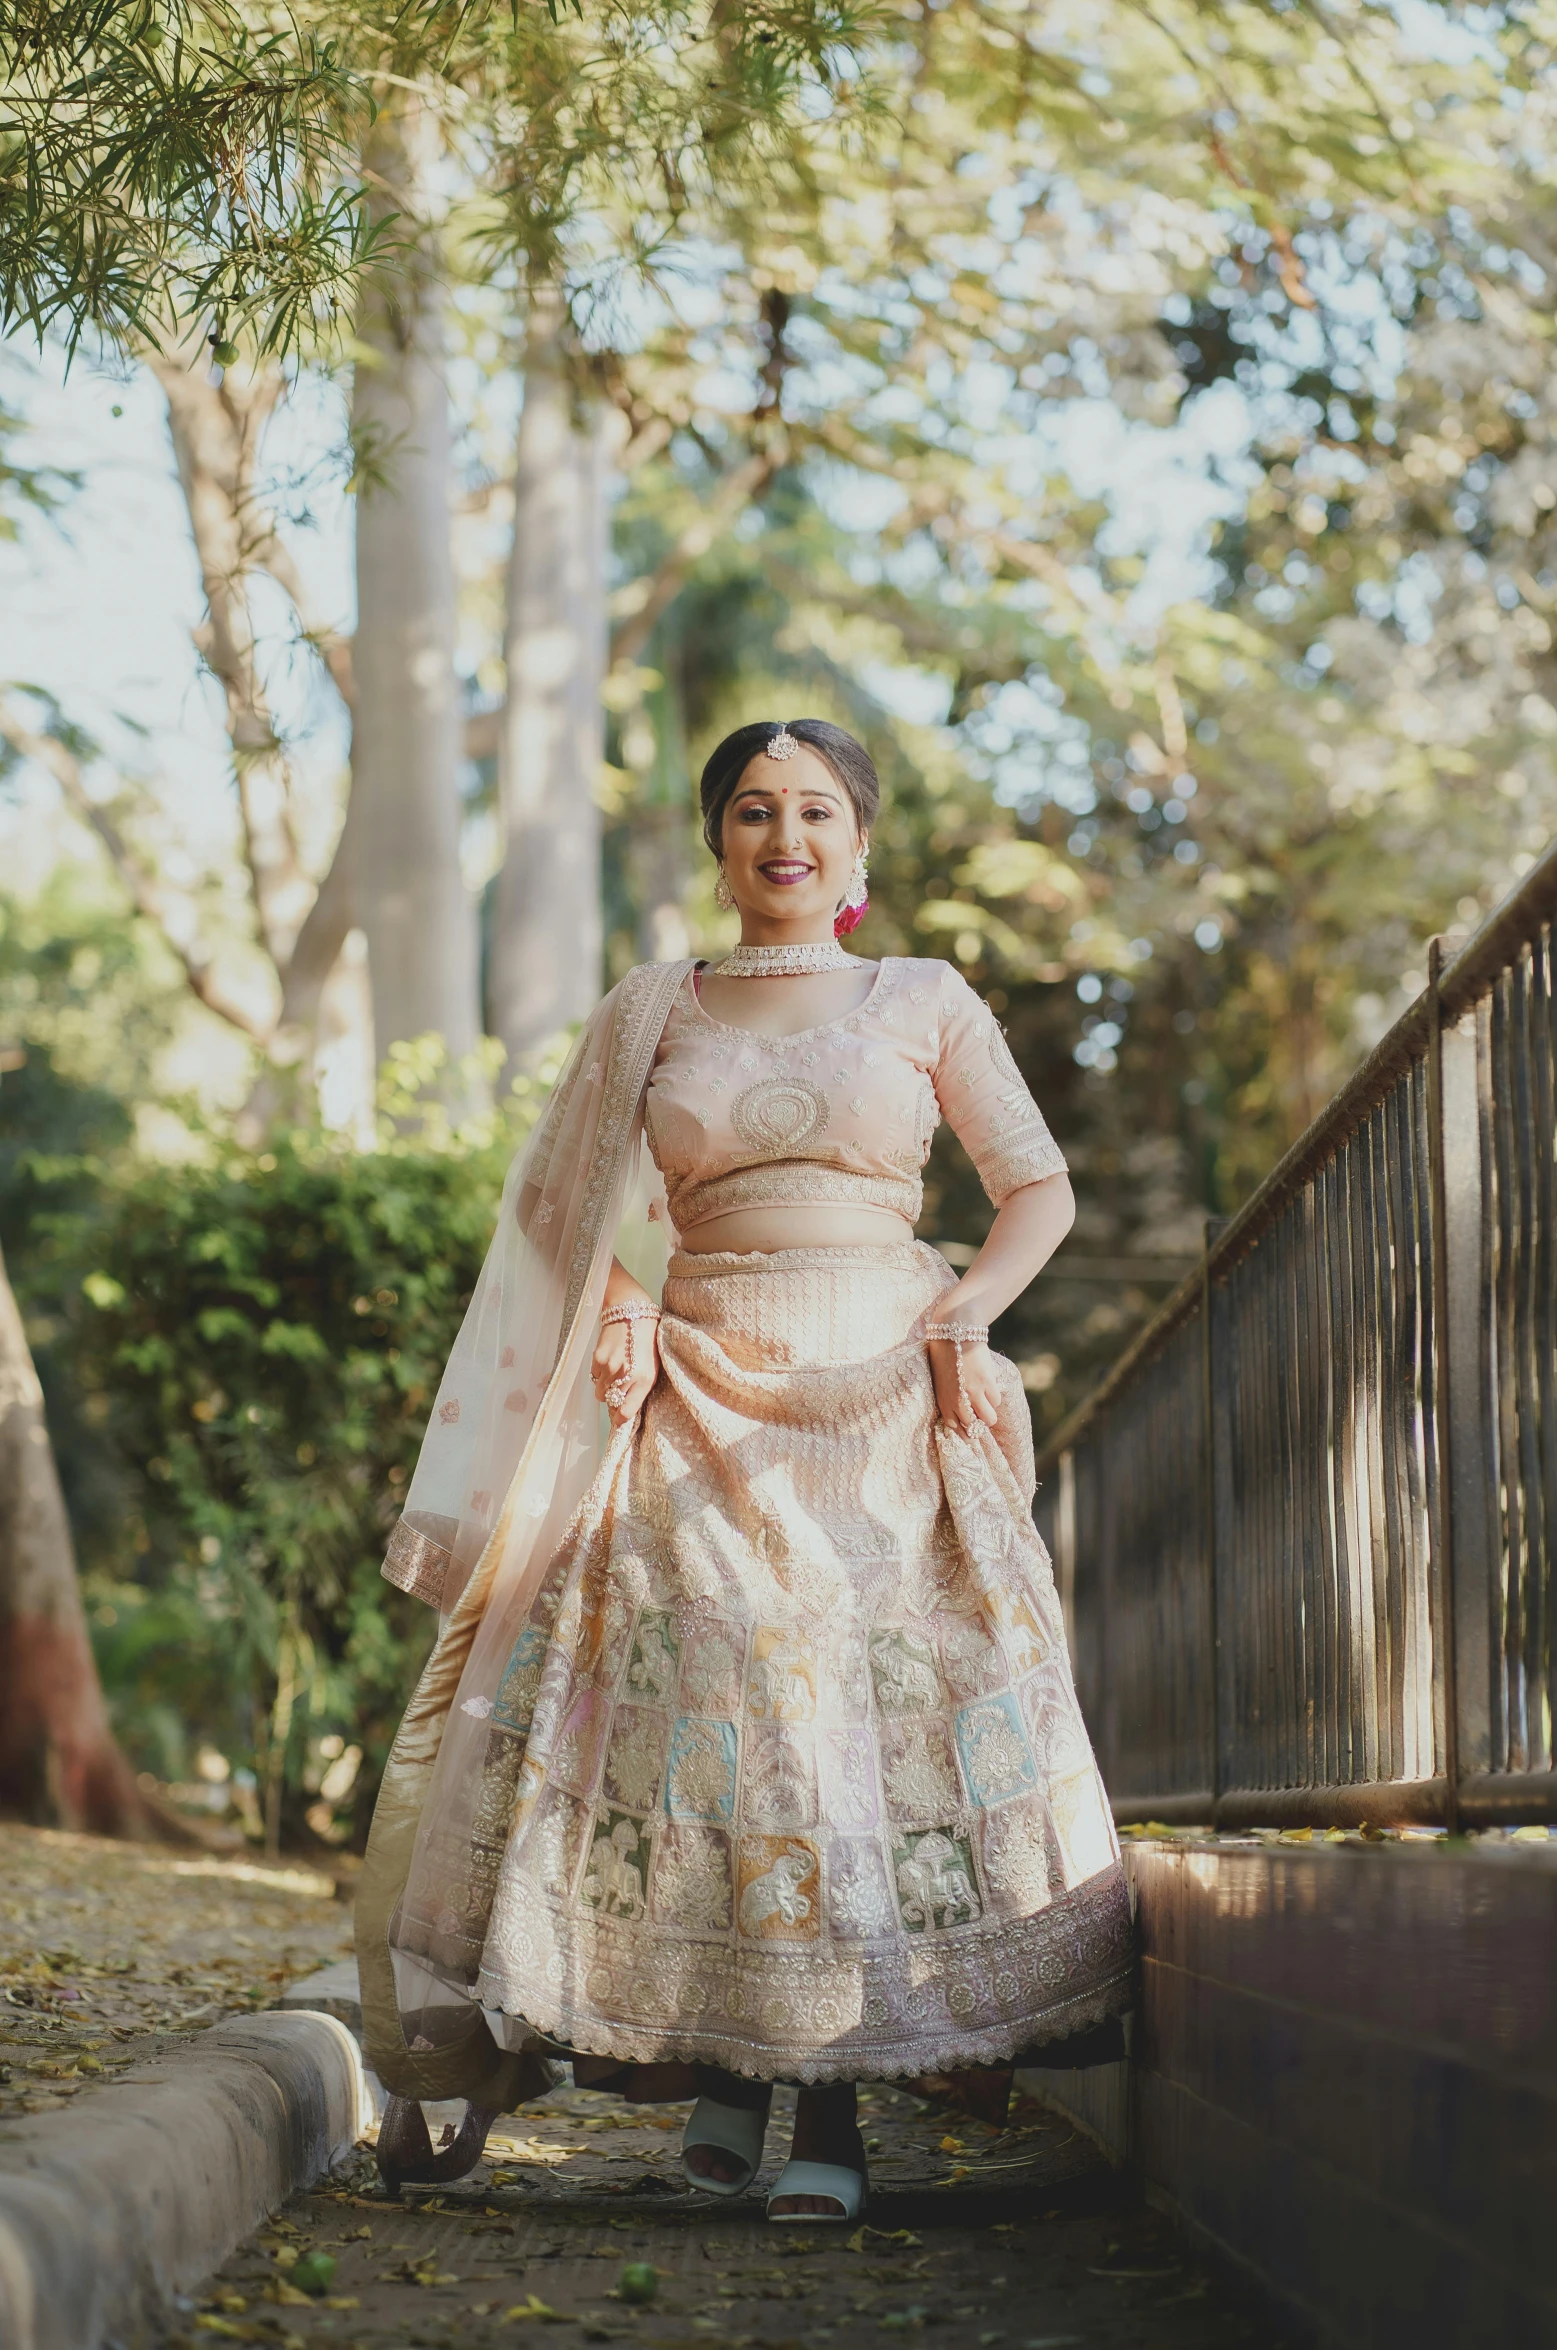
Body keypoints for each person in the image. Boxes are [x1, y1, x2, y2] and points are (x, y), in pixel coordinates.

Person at [357, 718, 1133, 2221]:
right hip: (697, 1397)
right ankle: (730, 2066)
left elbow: (1035, 1185)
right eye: (755, 809)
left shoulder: (922, 999)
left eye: (818, 810)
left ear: (860, 843)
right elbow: (563, 1209)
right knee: (727, 1728)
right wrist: (633, 1299)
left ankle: (824, 2113)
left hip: (885, 1413)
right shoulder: (654, 1007)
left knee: (845, 1737)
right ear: (717, 842)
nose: (787, 833)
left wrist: (965, 1310)